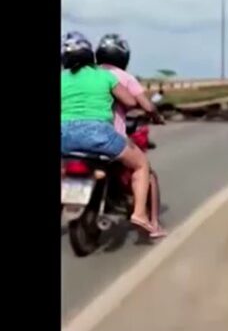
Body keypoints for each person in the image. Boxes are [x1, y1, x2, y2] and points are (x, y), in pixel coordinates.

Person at [60, 32, 158, 237]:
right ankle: (140, 214)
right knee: (141, 164)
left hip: (64, 136)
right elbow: (131, 102)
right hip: (98, 134)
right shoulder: (104, 76)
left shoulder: (62, 78)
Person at [95, 33, 167, 238]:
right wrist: (155, 115)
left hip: (76, 137)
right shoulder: (124, 78)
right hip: (109, 138)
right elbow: (145, 105)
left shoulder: (86, 74)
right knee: (145, 169)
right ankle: (146, 218)